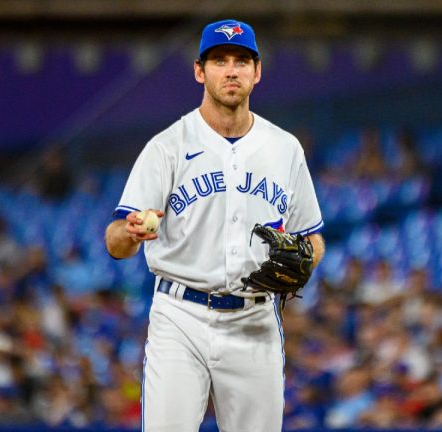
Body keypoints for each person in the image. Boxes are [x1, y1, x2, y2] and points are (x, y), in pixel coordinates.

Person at [105, 18, 325, 431]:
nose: (231, 70)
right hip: (179, 316)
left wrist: (307, 261)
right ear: (199, 71)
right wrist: (130, 233)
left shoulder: (284, 148)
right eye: (219, 60)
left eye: (241, 61)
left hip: (254, 319)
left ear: (256, 72)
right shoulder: (167, 146)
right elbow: (115, 241)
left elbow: (312, 237)